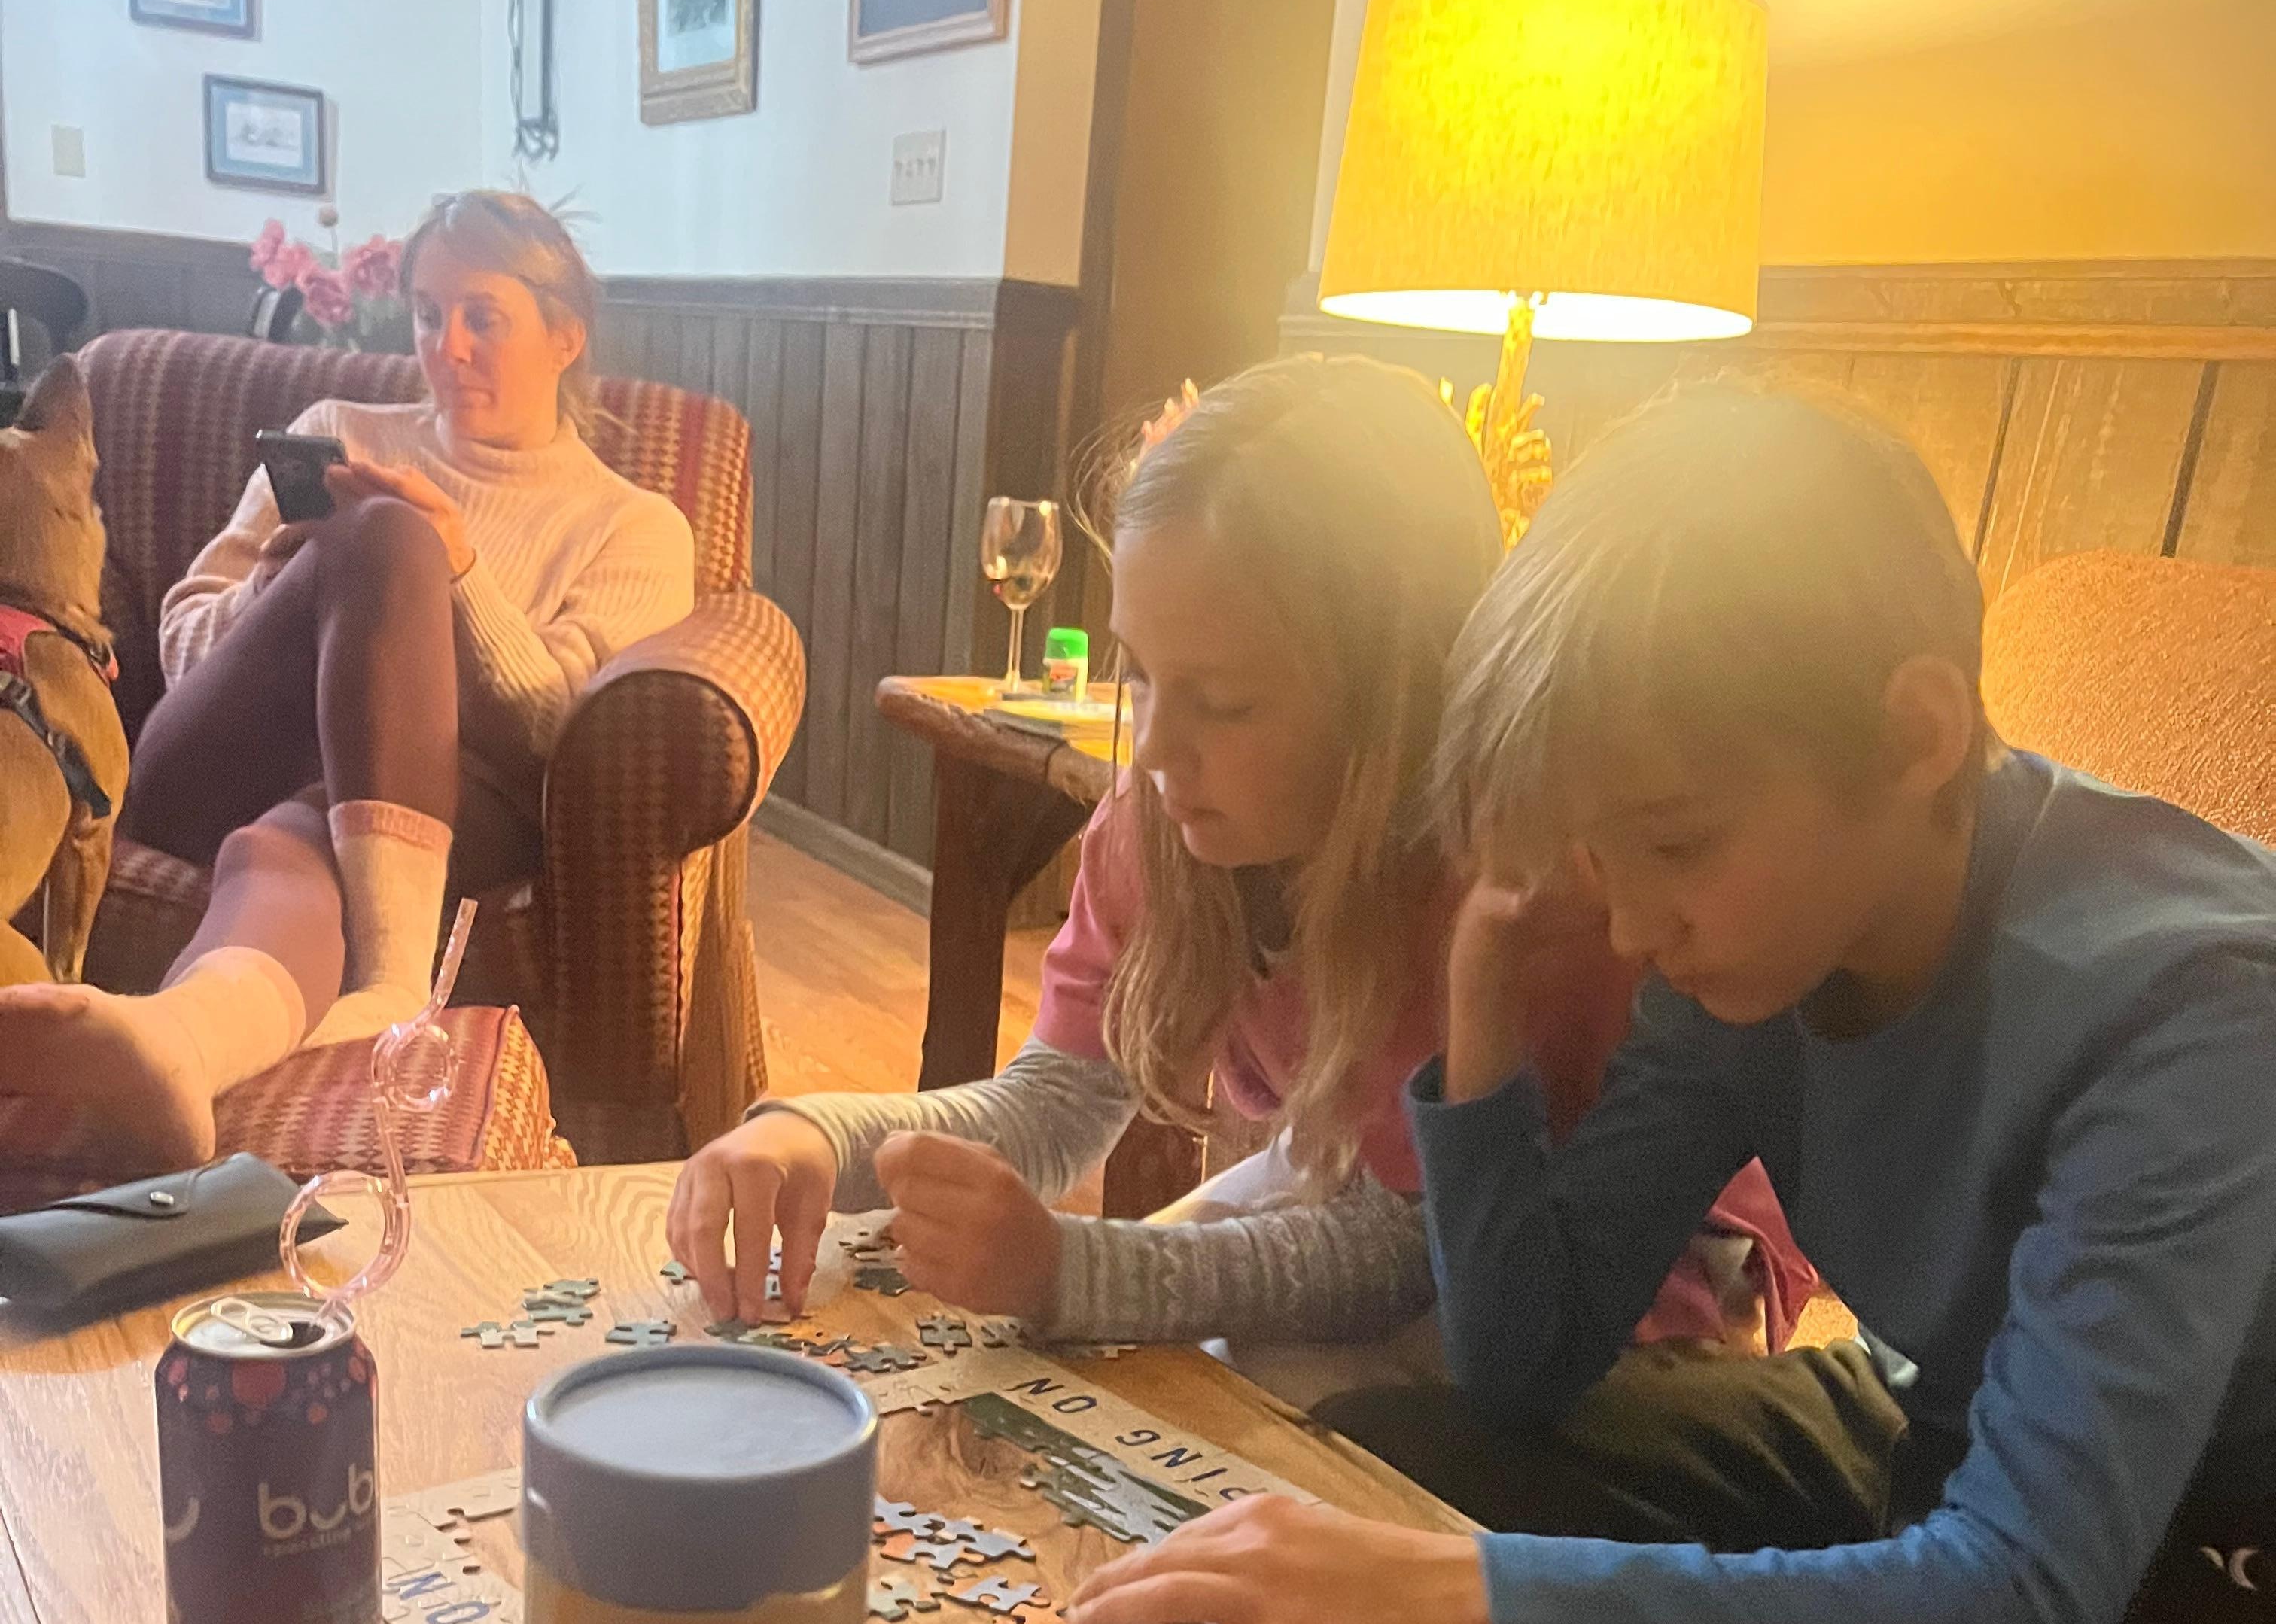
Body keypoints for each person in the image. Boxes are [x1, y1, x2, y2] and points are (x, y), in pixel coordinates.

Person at [1067, 385, 2276, 1624]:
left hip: (2216, 1553)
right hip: (1941, 1411)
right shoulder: (1755, 940)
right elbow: (1526, 1367)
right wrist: (1485, 996)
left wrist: (1466, 1599)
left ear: (1918, 731)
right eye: (1601, 858)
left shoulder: (2193, 1007)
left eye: (1678, 846)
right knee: (1408, 1457)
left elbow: (2026, 1599)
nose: (1632, 929)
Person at [668, 356, 1806, 1375]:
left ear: (1395, 699)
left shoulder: (1507, 884)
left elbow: (1410, 1253)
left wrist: (1070, 1273)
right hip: (1363, 1194)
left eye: (1224, 700)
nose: (1155, 748)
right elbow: (1057, 1105)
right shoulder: (1159, 815)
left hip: (1598, 1278)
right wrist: (813, 1132)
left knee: (1242, 1393)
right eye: (1143, 675)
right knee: (1136, 1349)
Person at [0, 191, 694, 1165]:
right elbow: (188, 635)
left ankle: (175, 1045)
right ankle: (398, 978)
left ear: (565, 335)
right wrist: (293, 585)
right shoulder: (342, 432)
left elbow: (557, 729)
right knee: (382, 533)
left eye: (481, 317)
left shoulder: (634, 527)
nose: (445, 345)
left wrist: (458, 572)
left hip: (422, 813)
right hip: (202, 769)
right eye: (426, 313)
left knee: (295, 837)